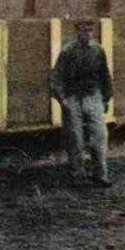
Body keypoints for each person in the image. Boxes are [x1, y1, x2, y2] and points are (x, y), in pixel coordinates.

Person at [50, 19, 113, 187]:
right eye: (84, 30)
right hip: (73, 98)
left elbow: (105, 75)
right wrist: (63, 99)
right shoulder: (68, 51)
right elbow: (55, 78)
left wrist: (106, 98)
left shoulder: (98, 50)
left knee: (99, 137)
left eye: (90, 31)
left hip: (93, 97)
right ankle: (77, 175)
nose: (87, 34)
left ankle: (100, 174)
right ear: (77, 32)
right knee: (75, 139)